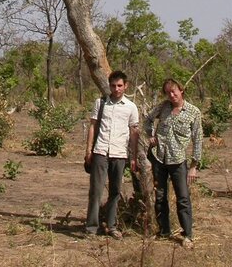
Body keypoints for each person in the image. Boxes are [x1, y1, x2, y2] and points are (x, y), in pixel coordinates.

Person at [144, 77, 203, 249]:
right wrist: (151, 135)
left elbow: (198, 139)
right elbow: (148, 119)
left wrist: (193, 166)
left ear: (181, 90)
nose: (171, 95)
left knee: (183, 197)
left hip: (178, 161)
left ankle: (188, 235)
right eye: (168, 92)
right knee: (160, 196)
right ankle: (164, 231)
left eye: (174, 91)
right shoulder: (163, 107)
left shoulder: (193, 112)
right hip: (159, 158)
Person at [85, 70, 140, 239]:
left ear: (126, 86)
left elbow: (134, 133)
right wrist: (88, 150)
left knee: (115, 191)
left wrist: (133, 157)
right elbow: (93, 126)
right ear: (109, 86)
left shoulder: (131, 107)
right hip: (101, 151)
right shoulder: (101, 103)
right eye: (113, 85)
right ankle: (91, 228)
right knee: (96, 191)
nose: (116, 89)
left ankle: (112, 226)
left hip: (120, 153)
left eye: (120, 85)